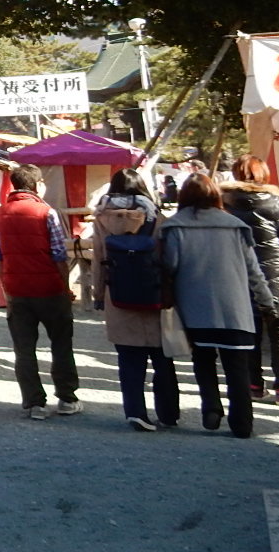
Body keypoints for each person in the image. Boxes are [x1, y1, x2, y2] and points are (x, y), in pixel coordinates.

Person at [162, 172, 274, 438]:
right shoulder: (235, 226)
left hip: (195, 310)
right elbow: (253, 270)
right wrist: (266, 301)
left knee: (203, 361)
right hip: (235, 310)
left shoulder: (175, 227)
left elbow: (170, 267)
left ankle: (211, 408)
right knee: (237, 367)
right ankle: (242, 422)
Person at [0, 163, 81, 419]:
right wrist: (65, 287)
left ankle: (34, 403)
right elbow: (58, 255)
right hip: (50, 288)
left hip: (17, 290)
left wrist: (6, 287)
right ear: (36, 184)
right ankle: (66, 398)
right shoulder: (46, 212)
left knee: (24, 349)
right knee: (61, 344)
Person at [91, 169, 177, 431]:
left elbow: (98, 258)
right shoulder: (156, 216)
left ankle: (135, 411)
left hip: (118, 292)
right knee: (162, 357)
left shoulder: (102, 217)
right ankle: (168, 412)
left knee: (128, 357)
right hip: (153, 292)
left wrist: (98, 294)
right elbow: (167, 258)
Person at [220, 156, 279, 404]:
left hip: (238, 271)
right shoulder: (278, 202)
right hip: (276, 272)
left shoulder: (224, 202)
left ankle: (254, 384)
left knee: (249, 331)